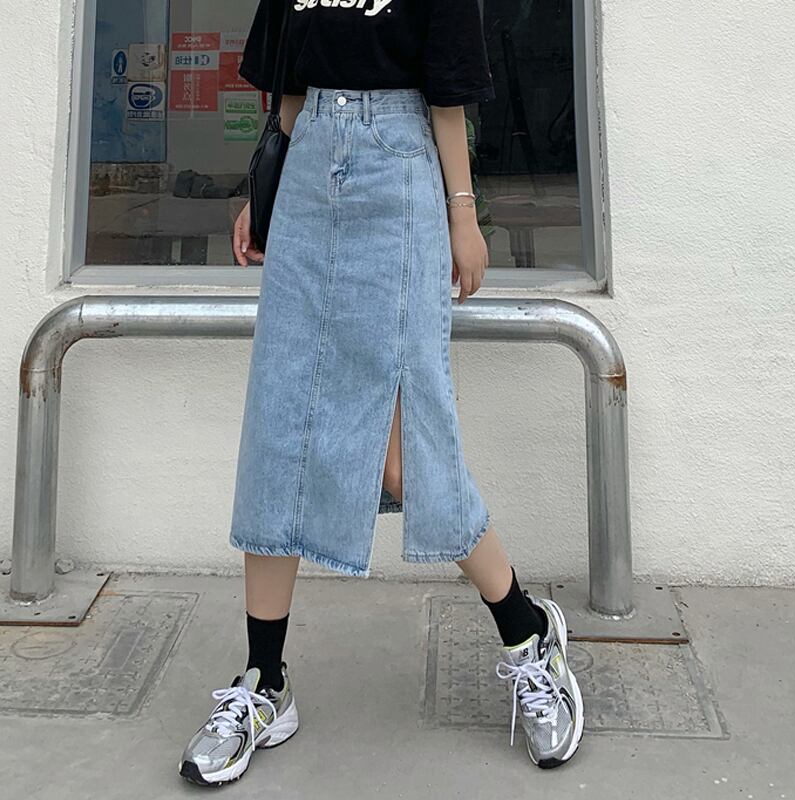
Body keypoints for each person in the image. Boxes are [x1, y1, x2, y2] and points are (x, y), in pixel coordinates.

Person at [178, 0, 584, 785]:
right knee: (280, 428)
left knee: (404, 454)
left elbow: (448, 96)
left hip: (398, 174)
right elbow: (288, 90)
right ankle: (265, 681)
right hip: (308, 179)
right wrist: (263, 192)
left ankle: (528, 631)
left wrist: (463, 214)